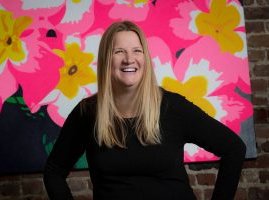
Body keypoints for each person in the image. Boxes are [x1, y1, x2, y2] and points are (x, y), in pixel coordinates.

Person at [43, 20, 246, 200]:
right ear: (107, 59)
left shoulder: (172, 106)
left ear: (145, 58)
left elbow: (234, 148)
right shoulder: (87, 113)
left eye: (136, 50)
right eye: (119, 51)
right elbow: (54, 171)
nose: (129, 58)